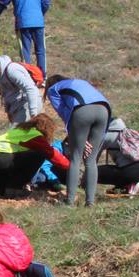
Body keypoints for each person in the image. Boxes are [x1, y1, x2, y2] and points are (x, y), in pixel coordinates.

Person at [44, 75, 112, 207]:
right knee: (91, 160)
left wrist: (75, 135)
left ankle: (69, 202)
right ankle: (90, 202)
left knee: (75, 158)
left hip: (82, 111)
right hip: (104, 110)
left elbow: (65, 113)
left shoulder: (53, 89)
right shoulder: (80, 82)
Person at [0, 113, 70, 196]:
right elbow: (52, 154)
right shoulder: (35, 135)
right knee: (39, 154)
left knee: (1, 187)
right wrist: (71, 166)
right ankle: (15, 188)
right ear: (46, 129)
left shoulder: (20, 130)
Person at [96, 117, 139, 195]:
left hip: (134, 170)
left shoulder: (106, 135)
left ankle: (130, 183)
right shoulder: (125, 130)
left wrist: (84, 179)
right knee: (118, 170)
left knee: (96, 172)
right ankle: (123, 187)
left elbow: (92, 162)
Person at [0, 55, 43, 124]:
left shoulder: (12, 70)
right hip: (17, 109)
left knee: (16, 134)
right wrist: (9, 112)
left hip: (27, 106)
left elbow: (30, 89)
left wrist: (33, 113)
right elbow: (6, 94)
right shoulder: (0, 76)